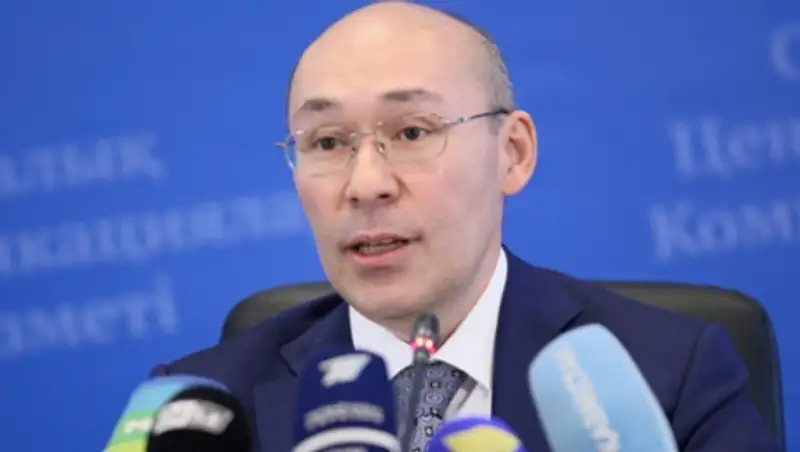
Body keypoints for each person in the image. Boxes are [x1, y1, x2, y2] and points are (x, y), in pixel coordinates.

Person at [150, 2, 780, 451]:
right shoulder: (201, 409)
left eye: (412, 132)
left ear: (513, 153)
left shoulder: (669, 376)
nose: (365, 183)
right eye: (328, 142)